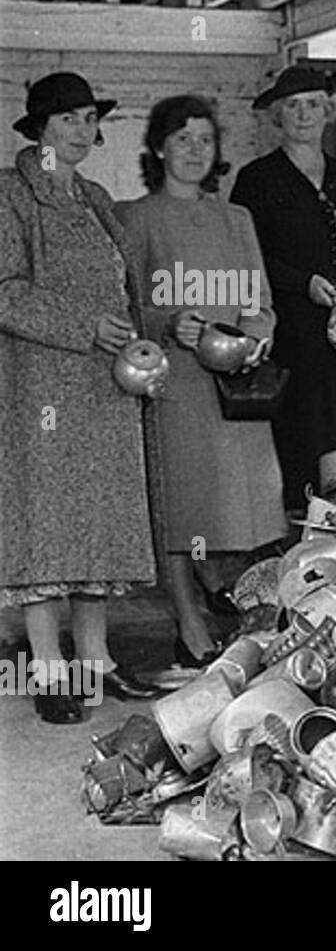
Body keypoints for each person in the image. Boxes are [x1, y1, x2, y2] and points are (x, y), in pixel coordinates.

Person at [0, 72, 159, 722]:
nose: (81, 130)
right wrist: (84, 326)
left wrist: (142, 352)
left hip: (104, 386)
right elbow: (4, 290)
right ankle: (46, 666)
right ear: (39, 127)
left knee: (99, 521)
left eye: (90, 118)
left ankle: (97, 662)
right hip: (42, 386)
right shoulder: (10, 194)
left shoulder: (95, 196)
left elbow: (122, 292)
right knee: (48, 523)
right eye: (67, 118)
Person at [116, 95, 285, 666]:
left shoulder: (236, 219)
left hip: (234, 383)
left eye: (204, 140)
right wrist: (167, 322)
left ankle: (224, 594)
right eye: (182, 138)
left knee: (235, 505)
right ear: (159, 147)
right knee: (180, 505)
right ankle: (188, 621)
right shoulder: (134, 218)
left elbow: (260, 301)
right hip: (173, 381)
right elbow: (124, 303)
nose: (193, 150)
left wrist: (252, 337)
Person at [230, 66, 336, 515]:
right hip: (295, 336)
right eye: (293, 106)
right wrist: (304, 283)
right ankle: (301, 536)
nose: (304, 114)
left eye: (313, 104)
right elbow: (248, 255)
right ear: (278, 116)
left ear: (329, 111)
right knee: (302, 429)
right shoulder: (257, 180)